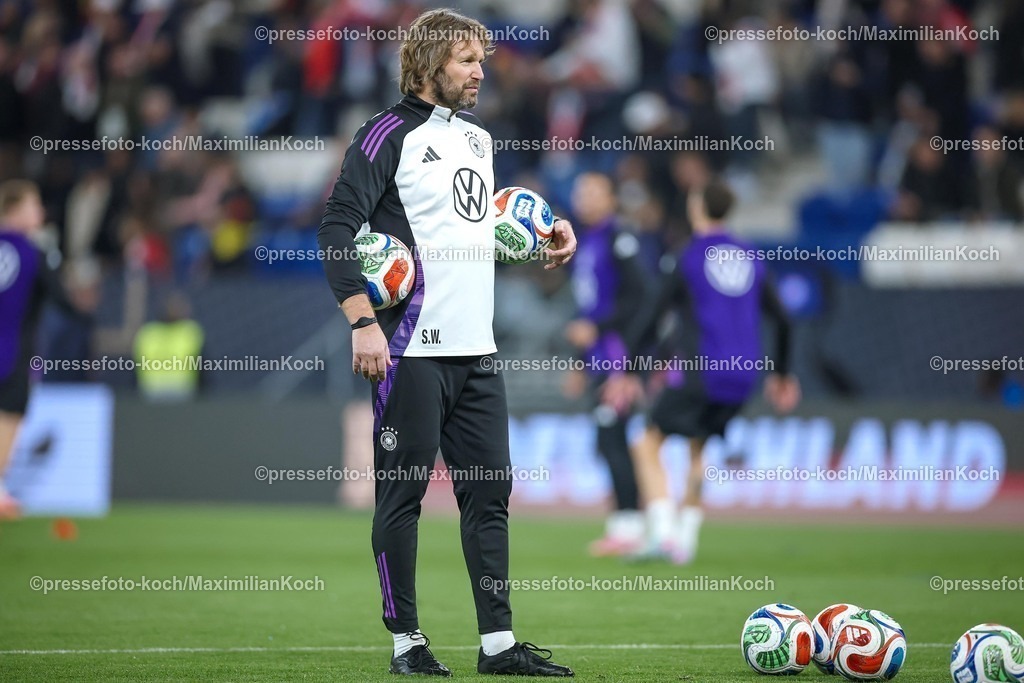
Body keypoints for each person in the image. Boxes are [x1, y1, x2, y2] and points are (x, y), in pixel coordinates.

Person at [317, 9, 576, 678]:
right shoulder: (385, 134)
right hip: (410, 349)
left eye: (481, 60)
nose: (480, 72)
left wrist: (545, 231)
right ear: (431, 64)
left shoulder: (479, 140)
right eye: (467, 60)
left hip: (476, 351)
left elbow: (468, 230)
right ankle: (406, 644)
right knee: (401, 499)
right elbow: (337, 228)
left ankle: (498, 645)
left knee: (490, 498)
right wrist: (362, 321)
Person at [606, 179, 799, 565]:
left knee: (645, 441)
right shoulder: (750, 255)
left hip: (702, 370)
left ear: (697, 208)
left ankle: (663, 534)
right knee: (700, 445)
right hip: (743, 375)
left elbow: (653, 313)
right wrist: (781, 373)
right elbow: (783, 318)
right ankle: (686, 540)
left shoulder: (690, 255)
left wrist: (628, 370)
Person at [564, 172, 645, 557]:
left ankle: (630, 527)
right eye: (581, 191)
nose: (584, 198)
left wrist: (600, 331)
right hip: (598, 359)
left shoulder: (618, 238)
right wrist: (580, 363)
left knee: (613, 439)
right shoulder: (585, 240)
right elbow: (589, 307)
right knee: (607, 440)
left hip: (618, 358)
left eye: (594, 191)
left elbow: (641, 297)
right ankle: (627, 523)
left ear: (612, 198)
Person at [0, 180, 76, 518]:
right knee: (9, 416)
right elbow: (61, 299)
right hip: (15, 352)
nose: (41, 213)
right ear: (15, 209)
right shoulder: (33, 252)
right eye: (34, 205)